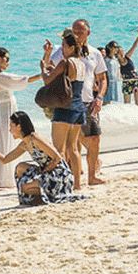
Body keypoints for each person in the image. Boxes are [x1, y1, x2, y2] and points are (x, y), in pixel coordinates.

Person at [0, 111, 81, 206]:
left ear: (19, 127)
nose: (9, 130)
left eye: (11, 126)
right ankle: (39, 197)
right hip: (46, 172)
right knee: (20, 168)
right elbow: (5, 160)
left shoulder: (35, 138)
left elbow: (58, 158)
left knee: (24, 188)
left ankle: (45, 197)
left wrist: (44, 172)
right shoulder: (25, 144)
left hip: (59, 174)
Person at [49, 19, 107, 186]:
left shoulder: (95, 53)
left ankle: (92, 176)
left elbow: (102, 78)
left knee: (94, 138)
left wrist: (100, 97)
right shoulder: (62, 51)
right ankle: (73, 180)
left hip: (89, 102)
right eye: (74, 31)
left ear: (88, 33)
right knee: (72, 145)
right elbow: (50, 69)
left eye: (80, 32)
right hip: (68, 101)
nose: (76, 35)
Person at [0, 47, 41, 190]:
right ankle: (8, 179)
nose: (8, 62)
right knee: (9, 141)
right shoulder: (0, 76)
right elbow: (22, 81)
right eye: (6, 59)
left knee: (1, 142)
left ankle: (1, 179)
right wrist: (43, 75)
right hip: (6, 109)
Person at [41, 33, 86, 190]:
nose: (62, 49)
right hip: (79, 108)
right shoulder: (81, 63)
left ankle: (59, 184)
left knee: (58, 150)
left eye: (64, 46)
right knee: (73, 149)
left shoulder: (65, 62)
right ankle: (77, 185)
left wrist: (42, 68)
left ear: (71, 47)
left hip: (64, 109)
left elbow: (47, 80)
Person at [117, 27, 138, 105]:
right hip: (126, 82)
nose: (122, 53)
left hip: (135, 81)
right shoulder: (116, 63)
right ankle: (128, 117)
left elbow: (134, 46)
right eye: (119, 52)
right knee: (127, 104)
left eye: (122, 51)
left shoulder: (127, 57)